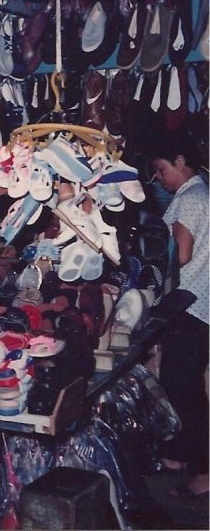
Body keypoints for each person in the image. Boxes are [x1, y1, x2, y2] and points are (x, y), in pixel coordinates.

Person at [149, 134, 209, 500]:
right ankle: (178, 457)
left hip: (187, 307)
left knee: (184, 392)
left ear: (181, 161)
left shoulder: (188, 198)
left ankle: (203, 472)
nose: (159, 179)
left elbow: (180, 257)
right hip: (200, 308)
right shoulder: (205, 195)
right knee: (183, 387)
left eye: (161, 170)